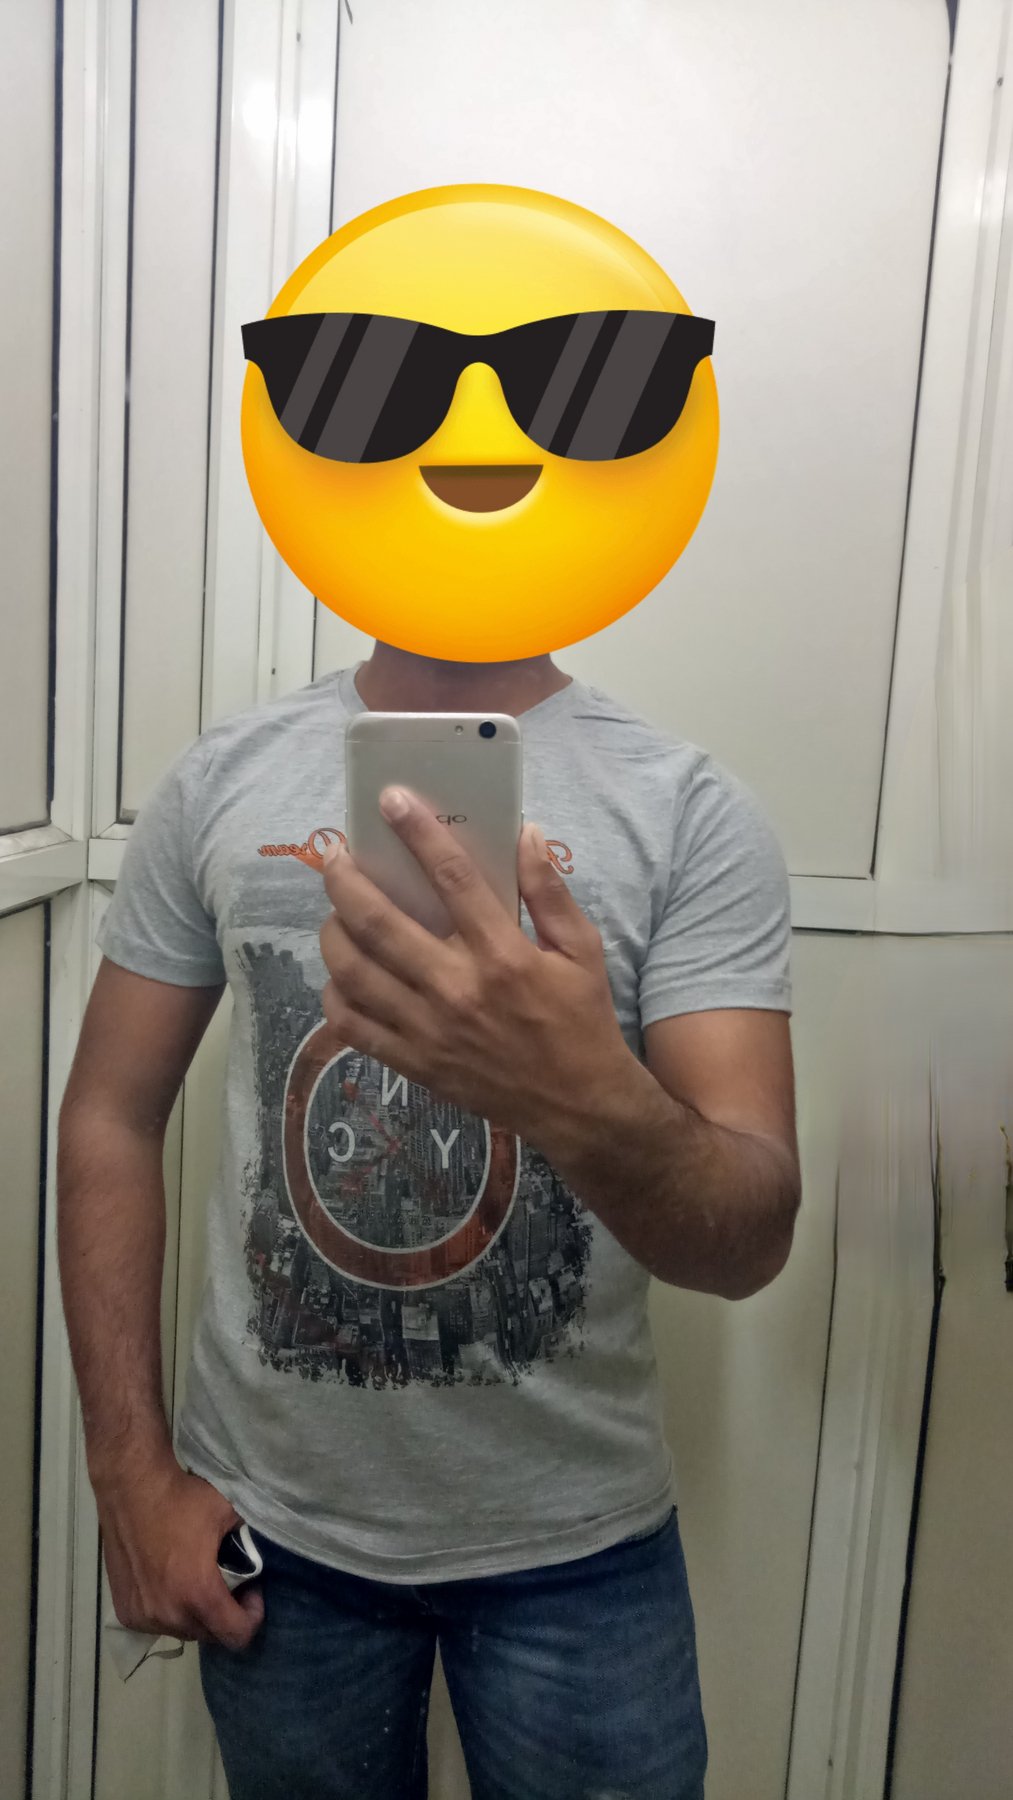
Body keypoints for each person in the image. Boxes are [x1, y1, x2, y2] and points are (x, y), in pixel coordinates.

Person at [57, 638, 800, 1800]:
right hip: (277, 1534)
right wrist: (127, 1479)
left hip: (579, 1544)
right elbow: (108, 1116)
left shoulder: (686, 807)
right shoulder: (223, 775)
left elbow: (747, 1242)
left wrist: (579, 1091)